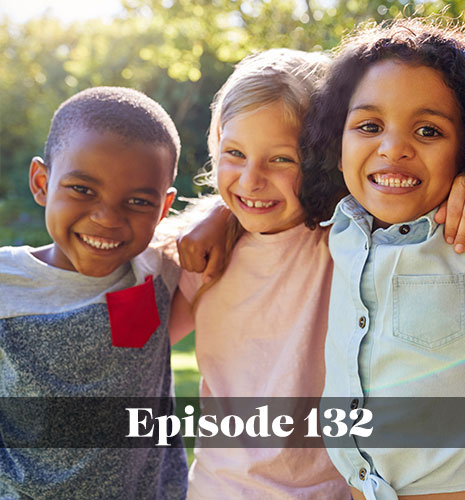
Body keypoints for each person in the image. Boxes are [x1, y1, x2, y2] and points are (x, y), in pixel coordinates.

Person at [299, 17, 465, 500]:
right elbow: (253, 189)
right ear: (338, 142)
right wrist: (212, 217)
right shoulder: (341, 227)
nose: (393, 148)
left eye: (428, 130)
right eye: (369, 125)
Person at [166, 48, 351, 499]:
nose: (250, 180)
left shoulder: (346, 239)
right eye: (234, 153)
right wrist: (218, 214)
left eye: (281, 159)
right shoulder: (200, 253)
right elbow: (136, 348)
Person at [0, 87, 187, 499]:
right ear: (41, 182)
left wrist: (209, 226)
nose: (107, 218)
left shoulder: (157, 269)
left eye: (138, 201)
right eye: (82, 190)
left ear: (164, 207)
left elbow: (240, 213)